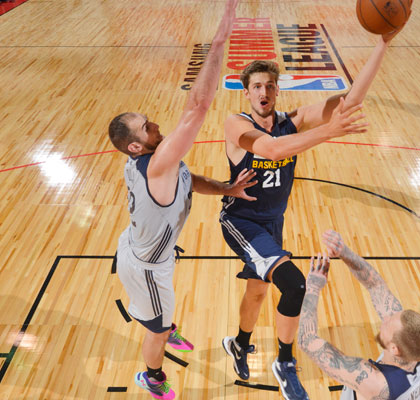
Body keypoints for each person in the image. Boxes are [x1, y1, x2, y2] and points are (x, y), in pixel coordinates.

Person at [218, 20, 410, 400]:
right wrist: (329, 131)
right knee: (294, 284)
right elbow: (272, 150)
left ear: (277, 91)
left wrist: (383, 45)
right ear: (247, 92)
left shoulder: (291, 121)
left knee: (257, 292)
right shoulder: (235, 124)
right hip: (241, 221)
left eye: (270, 86)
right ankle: (285, 363)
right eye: (256, 86)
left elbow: (349, 102)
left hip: (272, 223)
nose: (264, 92)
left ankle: (240, 343)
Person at [108, 1, 251, 399]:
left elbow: (188, 181)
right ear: (135, 146)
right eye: (146, 126)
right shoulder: (156, 166)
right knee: (155, 329)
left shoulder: (158, 164)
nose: (156, 124)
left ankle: (163, 321)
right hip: (147, 268)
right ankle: (152, 376)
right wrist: (220, 38)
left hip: (142, 248)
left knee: (160, 312)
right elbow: (197, 107)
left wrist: (225, 188)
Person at [298, 230, 420, 400]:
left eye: (388, 322)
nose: (386, 317)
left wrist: (313, 288)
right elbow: (376, 285)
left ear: (394, 348)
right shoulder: (419, 353)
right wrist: (344, 252)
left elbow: (307, 340)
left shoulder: (374, 382)